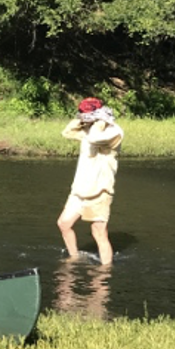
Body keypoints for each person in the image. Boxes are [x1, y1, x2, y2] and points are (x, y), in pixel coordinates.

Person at [57, 96, 124, 265]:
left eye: (87, 115)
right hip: (79, 189)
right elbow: (67, 132)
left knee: (98, 232)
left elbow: (95, 139)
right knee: (64, 224)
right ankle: (74, 258)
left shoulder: (114, 131)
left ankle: (104, 272)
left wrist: (101, 122)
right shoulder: (87, 129)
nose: (84, 119)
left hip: (99, 190)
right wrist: (83, 120)